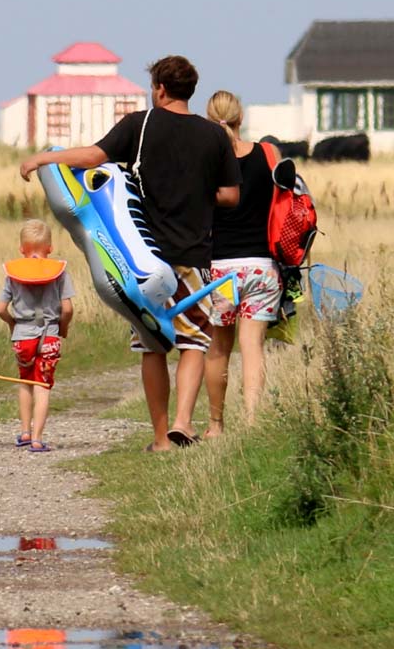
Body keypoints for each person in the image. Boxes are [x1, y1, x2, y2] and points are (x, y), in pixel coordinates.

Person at [19, 55, 240, 452]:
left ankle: (160, 440)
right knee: (194, 342)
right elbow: (230, 195)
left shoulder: (141, 124)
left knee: (153, 345)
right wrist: (196, 192)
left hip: (143, 258)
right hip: (193, 256)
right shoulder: (214, 136)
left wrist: (44, 158)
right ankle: (183, 422)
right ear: (191, 90)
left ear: (159, 88)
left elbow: (93, 157)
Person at [202, 90, 281, 437]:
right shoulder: (268, 153)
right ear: (241, 118)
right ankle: (251, 423)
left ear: (208, 121)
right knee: (253, 349)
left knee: (218, 348)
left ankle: (216, 425)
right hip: (263, 266)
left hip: (219, 268)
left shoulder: (204, 161)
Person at [0, 219, 75, 453]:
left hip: (22, 335)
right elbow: (68, 309)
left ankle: (24, 432)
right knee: (43, 386)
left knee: (25, 382)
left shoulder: (13, 274)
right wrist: (63, 326)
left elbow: (0, 308)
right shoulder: (60, 273)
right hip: (50, 335)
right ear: (50, 248)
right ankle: (38, 439)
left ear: (21, 249)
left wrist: (13, 324)